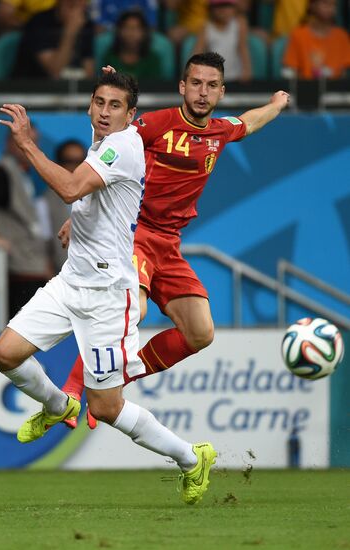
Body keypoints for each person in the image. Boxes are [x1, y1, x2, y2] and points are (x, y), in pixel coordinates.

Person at [0, 71, 217, 505]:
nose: (104, 111)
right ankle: (59, 406)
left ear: (133, 116)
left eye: (115, 106)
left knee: (107, 407)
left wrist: (27, 144)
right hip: (72, 280)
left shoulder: (125, 145)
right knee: (3, 353)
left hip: (110, 294)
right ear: (90, 106)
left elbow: (72, 188)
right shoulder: (102, 139)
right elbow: (91, 195)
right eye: (99, 102)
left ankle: (191, 458)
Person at [61, 52, 290, 430]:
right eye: (195, 83)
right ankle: (72, 388)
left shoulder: (219, 131)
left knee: (200, 332)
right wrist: (83, 214)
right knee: (134, 310)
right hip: (134, 233)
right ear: (182, 87)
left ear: (221, 91)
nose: (202, 92)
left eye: (211, 85)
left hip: (169, 243)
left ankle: (113, 383)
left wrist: (277, 104)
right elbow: (105, 153)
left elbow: (249, 122)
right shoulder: (154, 124)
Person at [0, 127, 51, 319]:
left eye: (34, 142)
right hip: (15, 270)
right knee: (20, 333)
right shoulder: (1, 172)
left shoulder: (22, 174)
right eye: (25, 141)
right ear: (10, 143)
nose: (29, 147)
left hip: (30, 266)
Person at [11, 0, 94, 79]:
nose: (76, 10)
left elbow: (89, 73)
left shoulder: (85, 24)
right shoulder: (39, 23)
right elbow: (55, 71)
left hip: (70, 88)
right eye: (71, 5)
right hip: (32, 87)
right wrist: (70, 31)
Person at [46, 140, 86, 272]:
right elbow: (42, 243)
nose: (75, 167)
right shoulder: (46, 201)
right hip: (60, 275)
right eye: (69, 161)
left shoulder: (100, 196)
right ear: (58, 164)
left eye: (80, 161)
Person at [283, 0, 350, 79]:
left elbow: (344, 74)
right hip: (304, 88)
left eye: (333, 4)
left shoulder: (342, 36)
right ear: (312, 5)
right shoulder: (298, 35)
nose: (330, 7)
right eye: (325, 3)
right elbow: (292, 71)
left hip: (333, 89)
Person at [193, 0, 252, 82]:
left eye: (227, 6)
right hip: (212, 79)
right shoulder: (206, 28)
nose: (223, 10)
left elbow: (243, 48)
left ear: (234, 8)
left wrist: (246, 70)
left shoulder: (240, 24)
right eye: (219, 6)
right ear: (211, 9)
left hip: (236, 78)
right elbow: (197, 53)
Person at [101, 10, 167, 80]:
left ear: (144, 32)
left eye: (136, 28)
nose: (131, 33)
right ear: (119, 31)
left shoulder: (153, 59)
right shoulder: (110, 57)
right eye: (126, 27)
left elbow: (156, 88)